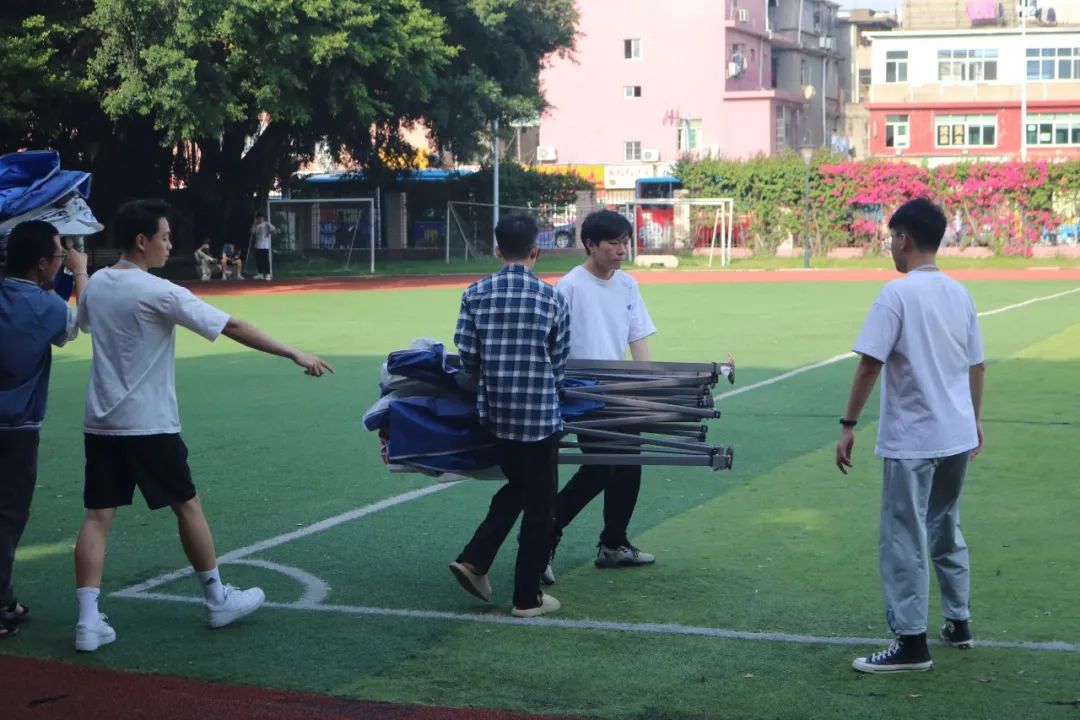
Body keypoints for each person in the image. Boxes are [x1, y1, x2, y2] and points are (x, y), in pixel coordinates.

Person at [73, 199, 334, 652]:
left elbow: (84, 319)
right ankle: (217, 599)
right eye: (165, 237)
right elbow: (230, 326)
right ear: (142, 241)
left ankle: (87, 622)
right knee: (188, 506)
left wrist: (79, 271)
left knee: (97, 518)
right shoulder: (159, 292)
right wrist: (293, 352)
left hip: (101, 423)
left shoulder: (97, 285)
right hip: (149, 425)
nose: (169, 243)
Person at [836, 197, 985, 674]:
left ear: (903, 239)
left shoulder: (896, 294)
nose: (889, 248)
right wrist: (975, 420)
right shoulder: (959, 293)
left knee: (904, 535)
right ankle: (958, 621)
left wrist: (848, 424)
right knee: (945, 525)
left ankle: (911, 642)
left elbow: (870, 364)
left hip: (914, 438)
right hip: (956, 433)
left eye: (890, 239)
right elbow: (977, 365)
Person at [449, 213, 570, 618]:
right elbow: (559, 362)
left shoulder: (475, 294)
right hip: (540, 416)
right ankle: (526, 596)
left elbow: (468, 356)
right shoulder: (552, 298)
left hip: (496, 414)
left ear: (497, 250)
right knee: (541, 507)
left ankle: (475, 559)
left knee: (521, 487)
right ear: (536, 251)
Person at [545, 210, 657, 581]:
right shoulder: (569, 287)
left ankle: (614, 545)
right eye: (613, 243)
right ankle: (544, 538)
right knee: (599, 468)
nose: (621, 250)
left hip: (620, 388)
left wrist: (645, 388)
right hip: (580, 390)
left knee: (629, 465)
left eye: (625, 242)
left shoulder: (628, 285)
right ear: (591, 245)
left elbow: (637, 336)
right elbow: (552, 344)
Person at [0, 220, 88, 640]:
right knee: (7, 516)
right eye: (57, 255)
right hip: (15, 427)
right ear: (41, 263)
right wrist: (80, 271)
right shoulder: (46, 307)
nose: (61, 260)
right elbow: (80, 323)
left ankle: (5, 597)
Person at [251, 212, 275, 280]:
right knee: (258, 260)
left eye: (260, 218)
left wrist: (268, 233)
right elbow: (252, 232)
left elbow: (273, 229)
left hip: (265, 245)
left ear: (263, 218)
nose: (259, 219)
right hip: (257, 245)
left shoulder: (266, 223)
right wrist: (255, 224)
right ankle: (260, 274)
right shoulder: (256, 225)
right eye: (258, 218)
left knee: (265, 260)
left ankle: (268, 274)